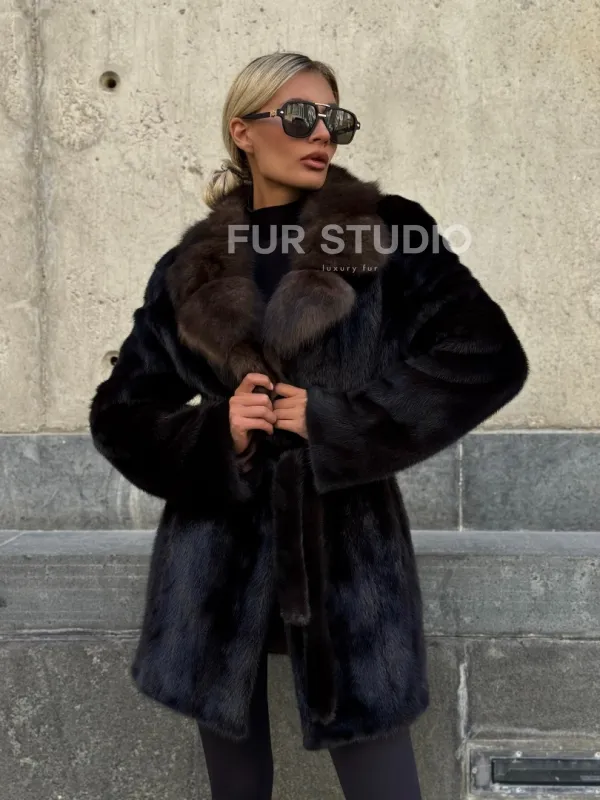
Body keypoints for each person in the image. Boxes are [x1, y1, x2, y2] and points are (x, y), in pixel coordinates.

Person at [89, 51, 529, 800]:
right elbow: (120, 412)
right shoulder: (190, 266)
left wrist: (339, 421)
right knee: (237, 790)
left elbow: (487, 356)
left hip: (344, 555)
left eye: (334, 118)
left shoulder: (389, 233)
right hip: (212, 562)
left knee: (385, 786)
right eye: (299, 116)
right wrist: (215, 432)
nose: (321, 132)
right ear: (244, 131)